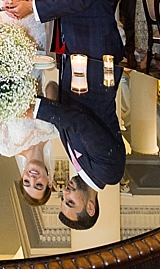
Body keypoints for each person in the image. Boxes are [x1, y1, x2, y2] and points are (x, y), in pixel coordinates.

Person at [33, 58, 125, 229]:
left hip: (73, 64)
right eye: (70, 202)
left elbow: (64, 115)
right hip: (96, 65)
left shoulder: (81, 166)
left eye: (62, 199)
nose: (64, 193)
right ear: (90, 207)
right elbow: (84, 125)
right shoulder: (109, 173)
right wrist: (37, 110)